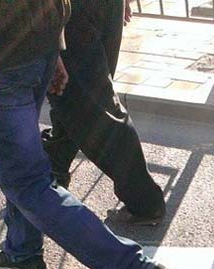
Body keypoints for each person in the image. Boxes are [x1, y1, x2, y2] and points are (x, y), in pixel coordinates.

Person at [0, 0, 172, 269]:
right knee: (21, 158)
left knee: (28, 183)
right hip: (37, 41)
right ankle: (22, 250)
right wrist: (54, 45)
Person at [41, 0, 165, 226]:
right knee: (77, 98)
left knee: (93, 107)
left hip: (69, 12)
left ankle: (145, 200)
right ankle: (53, 169)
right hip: (96, 8)